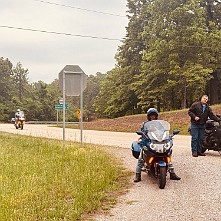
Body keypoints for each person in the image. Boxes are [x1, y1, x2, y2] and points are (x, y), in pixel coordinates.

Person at [134, 108, 181, 182]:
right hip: (148, 141)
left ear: (156, 116)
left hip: (158, 141)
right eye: (151, 116)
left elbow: (164, 131)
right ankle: (137, 175)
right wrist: (142, 135)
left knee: (167, 156)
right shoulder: (144, 124)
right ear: (148, 116)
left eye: (154, 116)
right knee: (141, 158)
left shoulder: (159, 124)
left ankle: (172, 173)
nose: (152, 117)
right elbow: (142, 132)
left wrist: (168, 136)